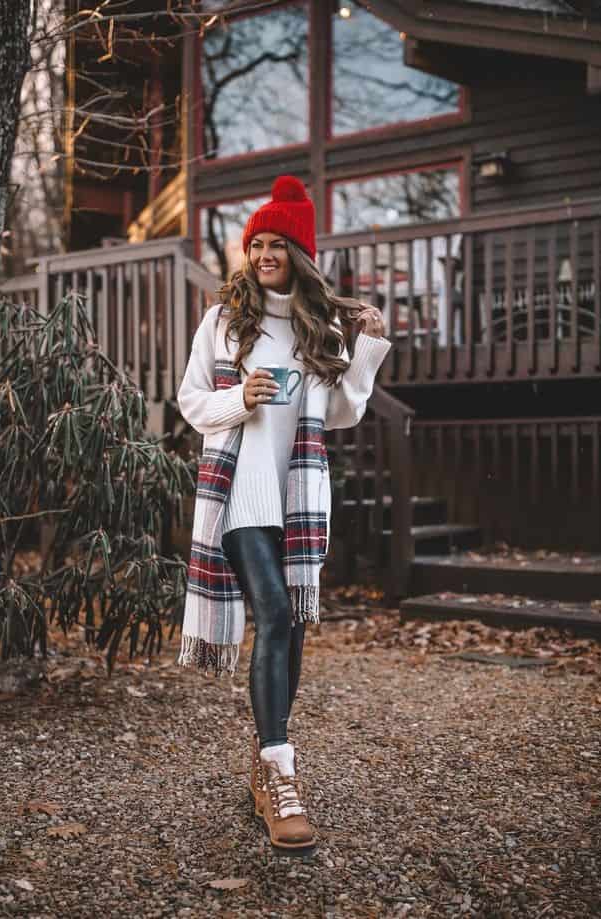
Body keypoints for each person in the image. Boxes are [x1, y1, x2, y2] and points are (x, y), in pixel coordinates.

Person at [176, 176, 391, 853]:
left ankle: (269, 754)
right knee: (272, 612)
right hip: (242, 493)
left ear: (299, 253)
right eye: (257, 243)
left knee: (292, 622)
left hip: (299, 497)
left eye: (278, 243)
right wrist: (240, 396)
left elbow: (347, 410)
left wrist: (367, 349)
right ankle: (279, 765)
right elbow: (190, 403)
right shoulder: (224, 321)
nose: (265, 253)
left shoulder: (316, 324)